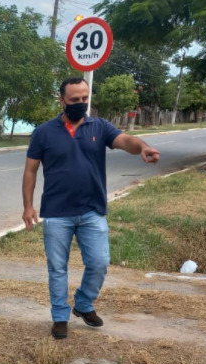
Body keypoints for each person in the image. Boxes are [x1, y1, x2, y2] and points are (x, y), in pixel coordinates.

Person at [22, 77, 160, 340]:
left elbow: (125, 140)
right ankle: (60, 316)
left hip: (91, 210)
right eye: (74, 100)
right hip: (57, 211)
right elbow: (30, 171)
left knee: (99, 262)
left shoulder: (100, 126)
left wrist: (142, 146)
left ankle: (83, 304)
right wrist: (28, 206)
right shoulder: (44, 132)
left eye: (84, 99)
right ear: (62, 100)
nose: (80, 104)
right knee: (57, 268)